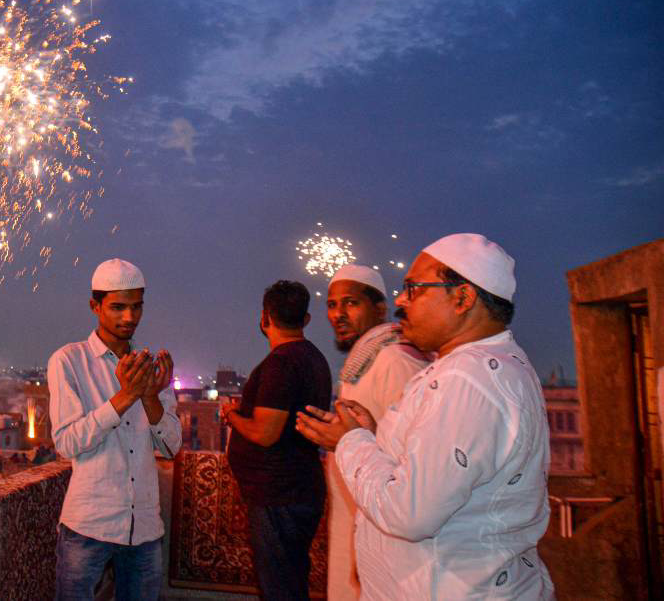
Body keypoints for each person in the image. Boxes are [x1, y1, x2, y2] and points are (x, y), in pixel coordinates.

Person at [296, 233, 554, 599]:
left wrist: (351, 441)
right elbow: (433, 464)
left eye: (414, 289)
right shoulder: (478, 367)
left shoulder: (467, 380)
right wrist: (373, 434)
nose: (401, 301)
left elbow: (410, 512)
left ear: (462, 298)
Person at [48, 258, 181, 601]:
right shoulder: (69, 360)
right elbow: (66, 442)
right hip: (89, 524)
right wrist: (124, 397)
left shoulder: (151, 367)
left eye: (137, 307)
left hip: (144, 527)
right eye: (118, 307)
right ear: (95, 306)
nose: (130, 317)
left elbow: (172, 447)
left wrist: (150, 396)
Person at [323, 265, 429, 599]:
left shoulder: (396, 361)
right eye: (332, 305)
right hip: (355, 524)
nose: (338, 314)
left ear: (380, 309)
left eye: (351, 303)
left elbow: (412, 461)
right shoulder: (363, 363)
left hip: (384, 536)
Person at [222, 280, 332, 600]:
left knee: (279, 587)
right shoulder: (314, 359)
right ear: (305, 319)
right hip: (298, 488)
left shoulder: (281, 363)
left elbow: (265, 432)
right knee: (290, 580)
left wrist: (231, 415)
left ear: (265, 318)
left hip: (279, 495)